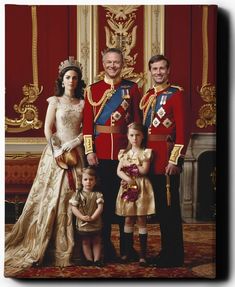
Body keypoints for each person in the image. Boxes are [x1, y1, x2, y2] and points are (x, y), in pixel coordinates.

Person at [5, 56, 86, 275]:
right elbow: (48, 129)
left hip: (76, 153)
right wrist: (57, 149)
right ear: (62, 80)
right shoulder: (54, 101)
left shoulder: (83, 103)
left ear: (79, 81)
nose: (71, 81)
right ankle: (50, 247)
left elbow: (85, 130)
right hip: (57, 154)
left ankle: (78, 249)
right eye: (68, 77)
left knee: (77, 195)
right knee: (52, 198)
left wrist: (76, 142)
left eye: (75, 77)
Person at [83, 48, 142, 262]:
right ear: (102, 62)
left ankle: (127, 249)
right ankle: (106, 247)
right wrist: (90, 150)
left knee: (126, 204)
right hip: (100, 155)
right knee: (104, 203)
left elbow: (136, 122)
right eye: (109, 62)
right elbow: (87, 125)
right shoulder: (93, 90)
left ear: (122, 63)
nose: (112, 66)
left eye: (116, 62)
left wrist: (131, 149)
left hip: (124, 154)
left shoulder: (132, 88)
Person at [139, 54, 188, 267]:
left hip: (167, 161)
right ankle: (166, 252)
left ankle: (174, 255)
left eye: (162, 68)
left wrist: (175, 161)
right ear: (149, 72)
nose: (158, 72)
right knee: (160, 210)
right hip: (151, 159)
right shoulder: (148, 95)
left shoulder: (176, 95)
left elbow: (183, 131)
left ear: (168, 71)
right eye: (154, 69)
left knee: (170, 210)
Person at [115, 122, 155, 266]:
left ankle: (143, 255)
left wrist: (131, 167)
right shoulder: (124, 153)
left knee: (141, 219)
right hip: (128, 186)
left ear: (143, 136)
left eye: (137, 135)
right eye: (131, 135)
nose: (134, 138)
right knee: (128, 219)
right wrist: (128, 179)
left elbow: (144, 171)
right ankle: (126, 253)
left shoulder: (145, 153)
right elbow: (119, 170)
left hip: (142, 187)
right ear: (127, 136)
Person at [69, 166, 104, 267]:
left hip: (95, 221)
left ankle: (97, 260)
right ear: (81, 181)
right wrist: (81, 217)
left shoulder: (98, 194)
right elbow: (73, 208)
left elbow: (100, 207)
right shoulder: (78, 194)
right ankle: (89, 260)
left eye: (91, 179)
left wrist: (93, 217)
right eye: (85, 179)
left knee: (97, 240)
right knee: (85, 241)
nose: (88, 182)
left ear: (95, 181)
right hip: (83, 222)